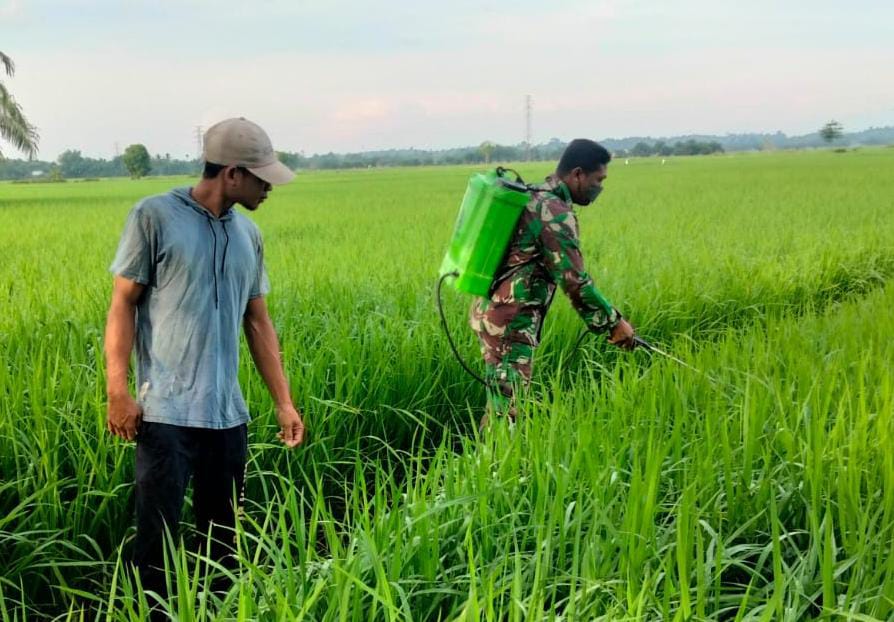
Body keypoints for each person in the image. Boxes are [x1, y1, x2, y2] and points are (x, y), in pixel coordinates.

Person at [104, 117, 305, 601]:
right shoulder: (154, 217)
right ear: (232, 173)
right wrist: (118, 391)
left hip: (226, 415)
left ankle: (217, 609)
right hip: (166, 413)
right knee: (156, 544)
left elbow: (257, 320)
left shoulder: (248, 235)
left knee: (224, 543)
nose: (269, 188)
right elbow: (122, 303)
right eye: (262, 178)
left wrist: (284, 402)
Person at [469, 138, 636, 422]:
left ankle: (490, 462)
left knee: (502, 402)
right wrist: (614, 322)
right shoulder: (554, 212)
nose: (600, 188)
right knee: (508, 410)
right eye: (599, 179)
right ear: (578, 174)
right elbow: (574, 281)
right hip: (510, 322)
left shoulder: (536, 195)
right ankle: (496, 465)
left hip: (493, 313)